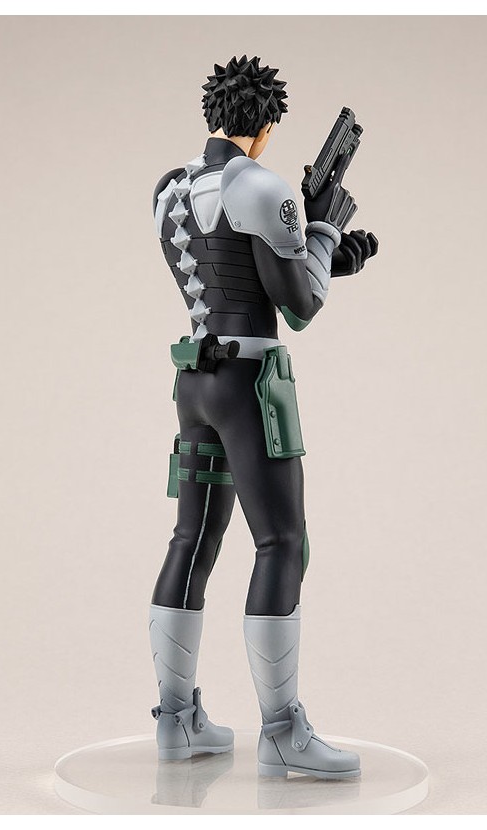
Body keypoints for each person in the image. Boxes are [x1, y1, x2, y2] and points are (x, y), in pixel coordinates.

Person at [148, 55, 377, 779]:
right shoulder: (265, 188)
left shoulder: (169, 188)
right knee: (282, 542)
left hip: (194, 380)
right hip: (250, 382)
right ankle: (281, 732)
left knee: (192, 538)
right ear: (267, 125)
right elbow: (299, 307)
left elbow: (233, 273)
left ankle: (176, 723)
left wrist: (324, 256)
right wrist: (322, 232)